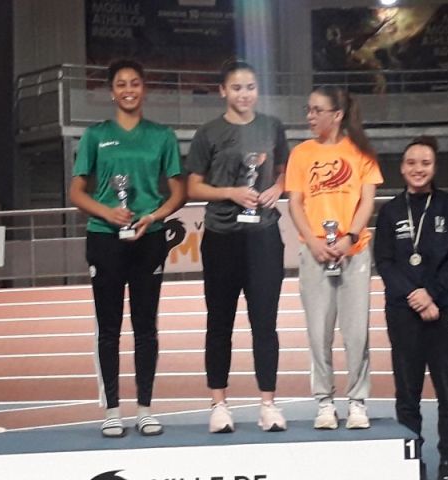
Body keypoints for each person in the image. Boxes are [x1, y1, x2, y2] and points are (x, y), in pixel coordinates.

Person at [69, 59, 186, 438]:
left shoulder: (162, 136)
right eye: (121, 84)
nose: (128, 90)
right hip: (104, 238)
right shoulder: (95, 136)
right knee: (109, 327)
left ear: (144, 88)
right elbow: (76, 192)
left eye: (135, 83)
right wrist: (108, 212)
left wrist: (154, 216)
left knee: (145, 326)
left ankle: (145, 409)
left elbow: (178, 192)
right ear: (111, 92)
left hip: (148, 239)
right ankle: (112, 411)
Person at [185, 60, 288, 433]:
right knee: (220, 323)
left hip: (264, 237)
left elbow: (285, 170)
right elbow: (193, 187)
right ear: (222, 91)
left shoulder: (272, 127)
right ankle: (219, 404)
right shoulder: (208, 132)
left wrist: (278, 187)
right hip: (222, 237)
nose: (244, 94)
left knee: (265, 324)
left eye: (250, 87)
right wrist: (230, 192)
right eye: (237, 87)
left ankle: (268, 404)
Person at [286, 85, 383, 429]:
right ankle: (324, 402)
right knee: (318, 332)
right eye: (308, 109)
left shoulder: (361, 152)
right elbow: (295, 203)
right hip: (315, 253)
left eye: (317, 110)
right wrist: (314, 242)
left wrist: (350, 237)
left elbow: (367, 201)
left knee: (356, 333)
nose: (310, 116)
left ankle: (357, 401)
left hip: (354, 253)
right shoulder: (301, 154)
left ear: (337, 115)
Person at [374, 136, 448, 480]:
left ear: (434, 167)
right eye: (411, 162)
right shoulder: (390, 212)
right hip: (403, 312)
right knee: (407, 395)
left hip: (445, 309)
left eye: (425, 163)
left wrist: (430, 294)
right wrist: (414, 295)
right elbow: (384, 262)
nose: (418, 169)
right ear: (402, 168)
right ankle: (413, 462)